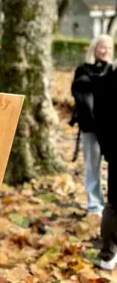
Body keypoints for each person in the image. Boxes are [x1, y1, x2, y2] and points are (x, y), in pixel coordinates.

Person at [71, 35, 112, 218]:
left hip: (111, 126)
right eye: (101, 47)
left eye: (108, 48)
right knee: (92, 165)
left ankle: (111, 205)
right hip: (92, 126)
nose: (105, 51)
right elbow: (82, 95)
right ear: (94, 48)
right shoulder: (83, 70)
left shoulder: (112, 70)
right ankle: (95, 205)